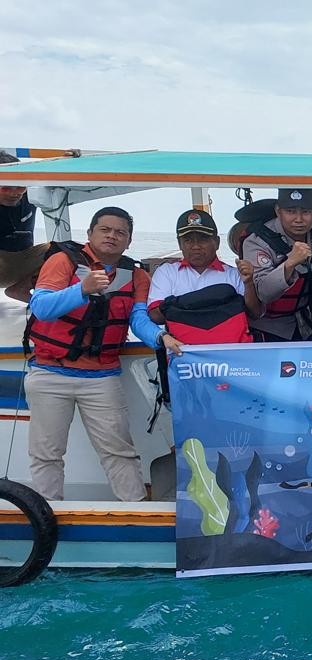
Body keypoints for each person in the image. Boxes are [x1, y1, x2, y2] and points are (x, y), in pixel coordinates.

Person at [23, 206, 183, 502]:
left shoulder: (136, 276)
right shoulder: (62, 261)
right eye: (105, 230)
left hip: (101, 377)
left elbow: (138, 319)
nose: (112, 236)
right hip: (49, 373)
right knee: (46, 452)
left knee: (119, 450)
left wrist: (160, 337)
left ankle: (135, 511)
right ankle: (45, 513)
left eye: (120, 232)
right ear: (90, 233)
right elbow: (42, 307)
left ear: (129, 241)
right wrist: (82, 289)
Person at [147, 209, 259, 343]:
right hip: (183, 352)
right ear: (179, 244)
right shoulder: (166, 272)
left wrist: (249, 283)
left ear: (217, 242)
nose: (196, 246)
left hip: (229, 353)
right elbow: (155, 316)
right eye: (188, 240)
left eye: (203, 239)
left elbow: (255, 314)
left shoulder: (234, 274)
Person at [242, 189, 312, 342]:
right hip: (267, 327)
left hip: (305, 324)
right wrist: (290, 263)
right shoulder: (257, 241)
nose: (299, 219)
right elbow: (263, 292)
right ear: (278, 211)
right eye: (290, 211)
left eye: (306, 212)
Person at [0, 151, 51, 302]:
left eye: (21, 186)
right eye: (6, 188)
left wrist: (70, 161)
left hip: (24, 261)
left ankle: (21, 289)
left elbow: (56, 177)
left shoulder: (31, 196)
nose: (14, 193)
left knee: (64, 250)